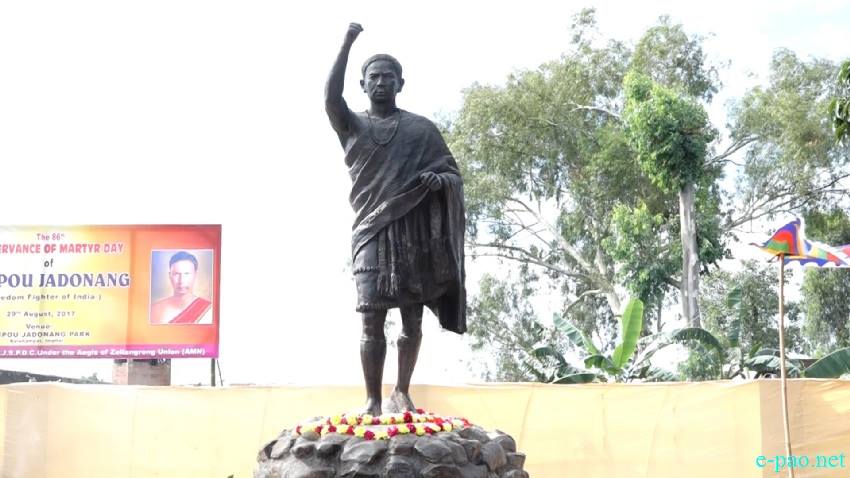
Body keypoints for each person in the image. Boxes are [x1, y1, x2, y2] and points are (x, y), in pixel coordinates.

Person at [325, 23, 466, 415]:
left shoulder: (422, 130)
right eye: (374, 77)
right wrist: (347, 42)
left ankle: (401, 391)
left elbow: (452, 174)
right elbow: (330, 98)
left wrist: (440, 182)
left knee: (411, 318)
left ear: (401, 84)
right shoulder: (352, 126)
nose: (382, 82)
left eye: (389, 77)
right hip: (371, 232)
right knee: (370, 318)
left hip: (413, 233)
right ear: (363, 85)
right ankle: (372, 399)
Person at [150, 251, 213, 325]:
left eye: (187, 274)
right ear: (170, 276)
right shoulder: (154, 310)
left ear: (195, 275)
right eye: (176, 274)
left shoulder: (209, 310)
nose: (181, 280)